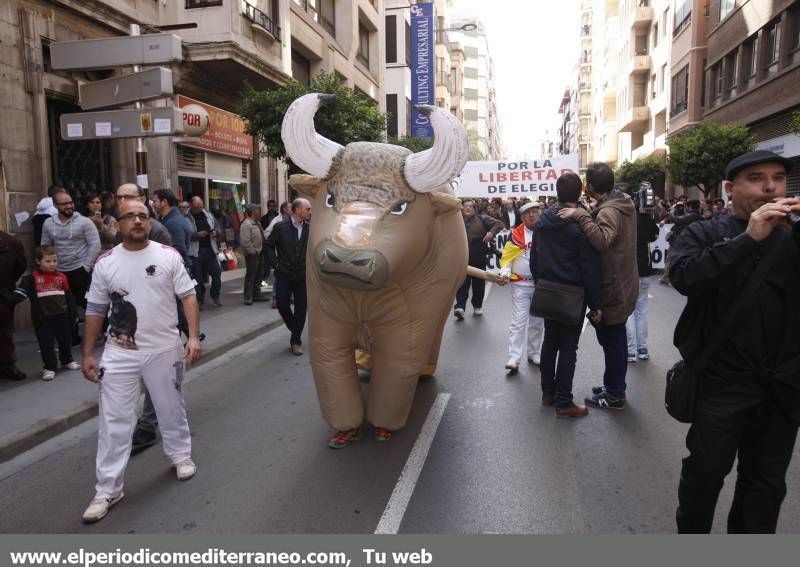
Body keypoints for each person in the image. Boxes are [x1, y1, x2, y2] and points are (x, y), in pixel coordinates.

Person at [670, 150, 800, 533]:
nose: (770, 186)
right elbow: (685, 276)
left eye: (777, 177)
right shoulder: (704, 233)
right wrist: (748, 239)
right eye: (756, 178)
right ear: (730, 189)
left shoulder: (793, 236)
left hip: (782, 388)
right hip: (722, 386)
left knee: (765, 487)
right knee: (705, 477)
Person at [80, 199, 201, 523]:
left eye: (142, 216)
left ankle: (180, 456)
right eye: (130, 216)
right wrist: (88, 353)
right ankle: (107, 488)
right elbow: (95, 310)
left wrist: (191, 336)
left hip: (164, 349)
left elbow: (188, 296)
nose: (137, 220)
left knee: (169, 406)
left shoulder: (168, 256)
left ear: (149, 222)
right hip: (119, 354)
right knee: (114, 421)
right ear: (117, 224)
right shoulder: (106, 263)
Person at [558, 162, 638, 410]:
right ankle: (613, 385)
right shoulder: (622, 200)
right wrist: (593, 210)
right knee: (614, 341)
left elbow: (603, 240)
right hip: (624, 281)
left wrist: (581, 215)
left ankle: (615, 394)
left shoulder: (609, 212)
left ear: (589, 186)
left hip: (613, 285)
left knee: (613, 343)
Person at [531, 173, 603, 417]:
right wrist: (596, 303)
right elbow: (588, 266)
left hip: (548, 290)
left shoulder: (543, 220)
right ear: (580, 191)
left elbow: (535, 258)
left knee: (550, 341)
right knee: (568, 348)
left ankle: (548, 393)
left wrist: (541, 282)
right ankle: (564, 402)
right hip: (573, 293)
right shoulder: (579, 225)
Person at [18, 246, 80, 381]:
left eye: (55, 261)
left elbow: (69, 297)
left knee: (65, 340)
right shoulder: (31, 279)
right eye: (48, 261)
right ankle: (49, 367)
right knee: (46, 344)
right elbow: (20, 293)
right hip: (43, 318)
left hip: (62, 316)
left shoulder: (62, 277)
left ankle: (67, 359)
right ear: (38, 261)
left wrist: (73, 313)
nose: (52, 264)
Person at [498, 202, 545, 370]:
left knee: (537, 322)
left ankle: (534, 353)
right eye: (527, 213)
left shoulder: (546, 232)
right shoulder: (515, 235)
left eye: (534, 212)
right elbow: (507, 257)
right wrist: (505, 271)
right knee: (518, 321)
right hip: (520, 284)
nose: (531, 215)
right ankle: (514, 357)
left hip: (540, 285)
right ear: (522, 217)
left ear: (539, 214)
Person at [40, 189, 101, 312]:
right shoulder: (48, 223)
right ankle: (70, 330)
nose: (69, 206)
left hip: (80, 269)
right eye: (64, 204)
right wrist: (50, 267)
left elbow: (95, 245)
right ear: (56, 206)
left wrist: (86, 267)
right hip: (58, 271)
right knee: (64, 306)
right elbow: (45, 246)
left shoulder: (85, 222)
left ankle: (93, 330)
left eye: (70, 202)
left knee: (87, 304)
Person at [265, 198, 311, 355]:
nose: (310, 212)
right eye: (308, 209)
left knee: (301, 308)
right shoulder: (280, 227)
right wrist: (276, 264)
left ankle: (295, 341)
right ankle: (295, 328)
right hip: (284, 274)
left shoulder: (309, 229)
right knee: (283, 305)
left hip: (302, 275)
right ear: (298, 210)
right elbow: (269, 247)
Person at [454, 199, 504, 319]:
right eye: (465, 206)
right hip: (462, 260)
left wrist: (491, 233)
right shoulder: (456, 221)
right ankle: (460, 307)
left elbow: (499, 224)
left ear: (475, 209)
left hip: (479, 258)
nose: (467, 208)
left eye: (470, 206)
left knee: (478, 285)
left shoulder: (483, 219)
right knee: (461, 285)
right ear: (461, 208)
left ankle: (477, 306)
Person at [626, 186, 660, 362]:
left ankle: (630, 351)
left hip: (629, 270)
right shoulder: (647, 218)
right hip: (645, 270)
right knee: (642, 310)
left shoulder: (628, 217)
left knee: (629, 312)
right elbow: (655, 235)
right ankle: (642, 348)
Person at [0, 230, 27, 381]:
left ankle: (7, 365)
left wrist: (6, 285)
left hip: (3, 294)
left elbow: (20, 266)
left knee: (5, 331)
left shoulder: (10, 242)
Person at [188, 196, 222, 308]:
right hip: (195, 251)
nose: (199, 209)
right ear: (191, 206)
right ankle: (199, 299)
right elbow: (184, 234)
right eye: (197, 207)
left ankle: (215, 295)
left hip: (210, 249)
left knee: (216, 273)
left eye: (201, 207)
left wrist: (216, 232)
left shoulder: (208, 214)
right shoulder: (186, 217)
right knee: (197, 277)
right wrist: (196, 235)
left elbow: (218, 227)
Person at [263, 201, 292, 309]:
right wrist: (276, 241)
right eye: (290, 207)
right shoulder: (276, 221)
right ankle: (275, 298)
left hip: (290, 253)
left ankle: (288, 297)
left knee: (290, 276)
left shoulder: (293, 219)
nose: (292, 209)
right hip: (280, 254)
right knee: (278, 277)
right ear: (284, 209)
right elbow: (266, 233)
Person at [240, 204, 265, 305]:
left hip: (260, 252)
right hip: (252, 254)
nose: (259, 212)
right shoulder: (246, 224)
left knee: (259, 274)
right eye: (257, 211)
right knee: (251, 275)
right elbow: (245, 241)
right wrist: (253, 251)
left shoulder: (257, 223)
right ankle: (248, 296)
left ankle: (256, 294)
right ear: (252, 212)